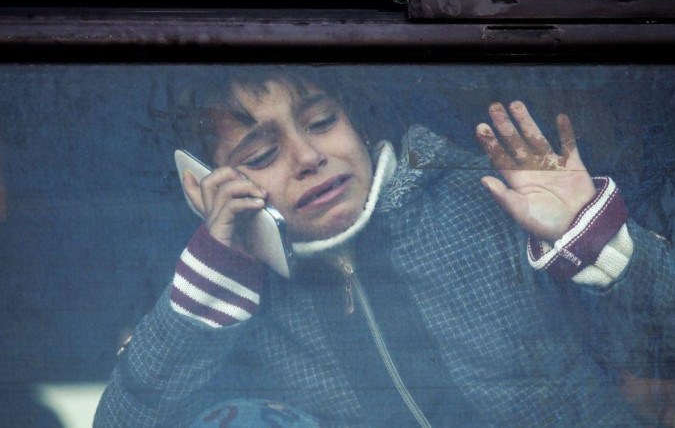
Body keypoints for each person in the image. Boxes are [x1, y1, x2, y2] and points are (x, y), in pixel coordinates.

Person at [94, 69, 673, 427]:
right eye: (262, 155)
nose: (308, 157)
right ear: (206, 189)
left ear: (358, 124)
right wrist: (217, 278)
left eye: (322, 122)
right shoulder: (232, 311)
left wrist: (597, 242)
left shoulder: (487, 200)